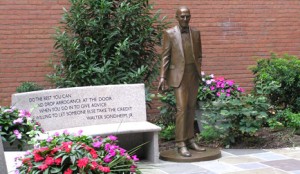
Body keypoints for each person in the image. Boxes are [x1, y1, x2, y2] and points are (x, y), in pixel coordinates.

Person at [158, 6, 205, 157]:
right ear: (177, 17)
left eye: (187, 16)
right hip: (179, 75)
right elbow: (165, 56)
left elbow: (199, 55)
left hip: (193, 74)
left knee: (191, 107)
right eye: (182, 16)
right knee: (182, 109)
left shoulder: (196, 33)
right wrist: (162, 77)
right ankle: (180, 143)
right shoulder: (169, 33)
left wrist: (198, 71)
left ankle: (190, 139)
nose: (185, 19)